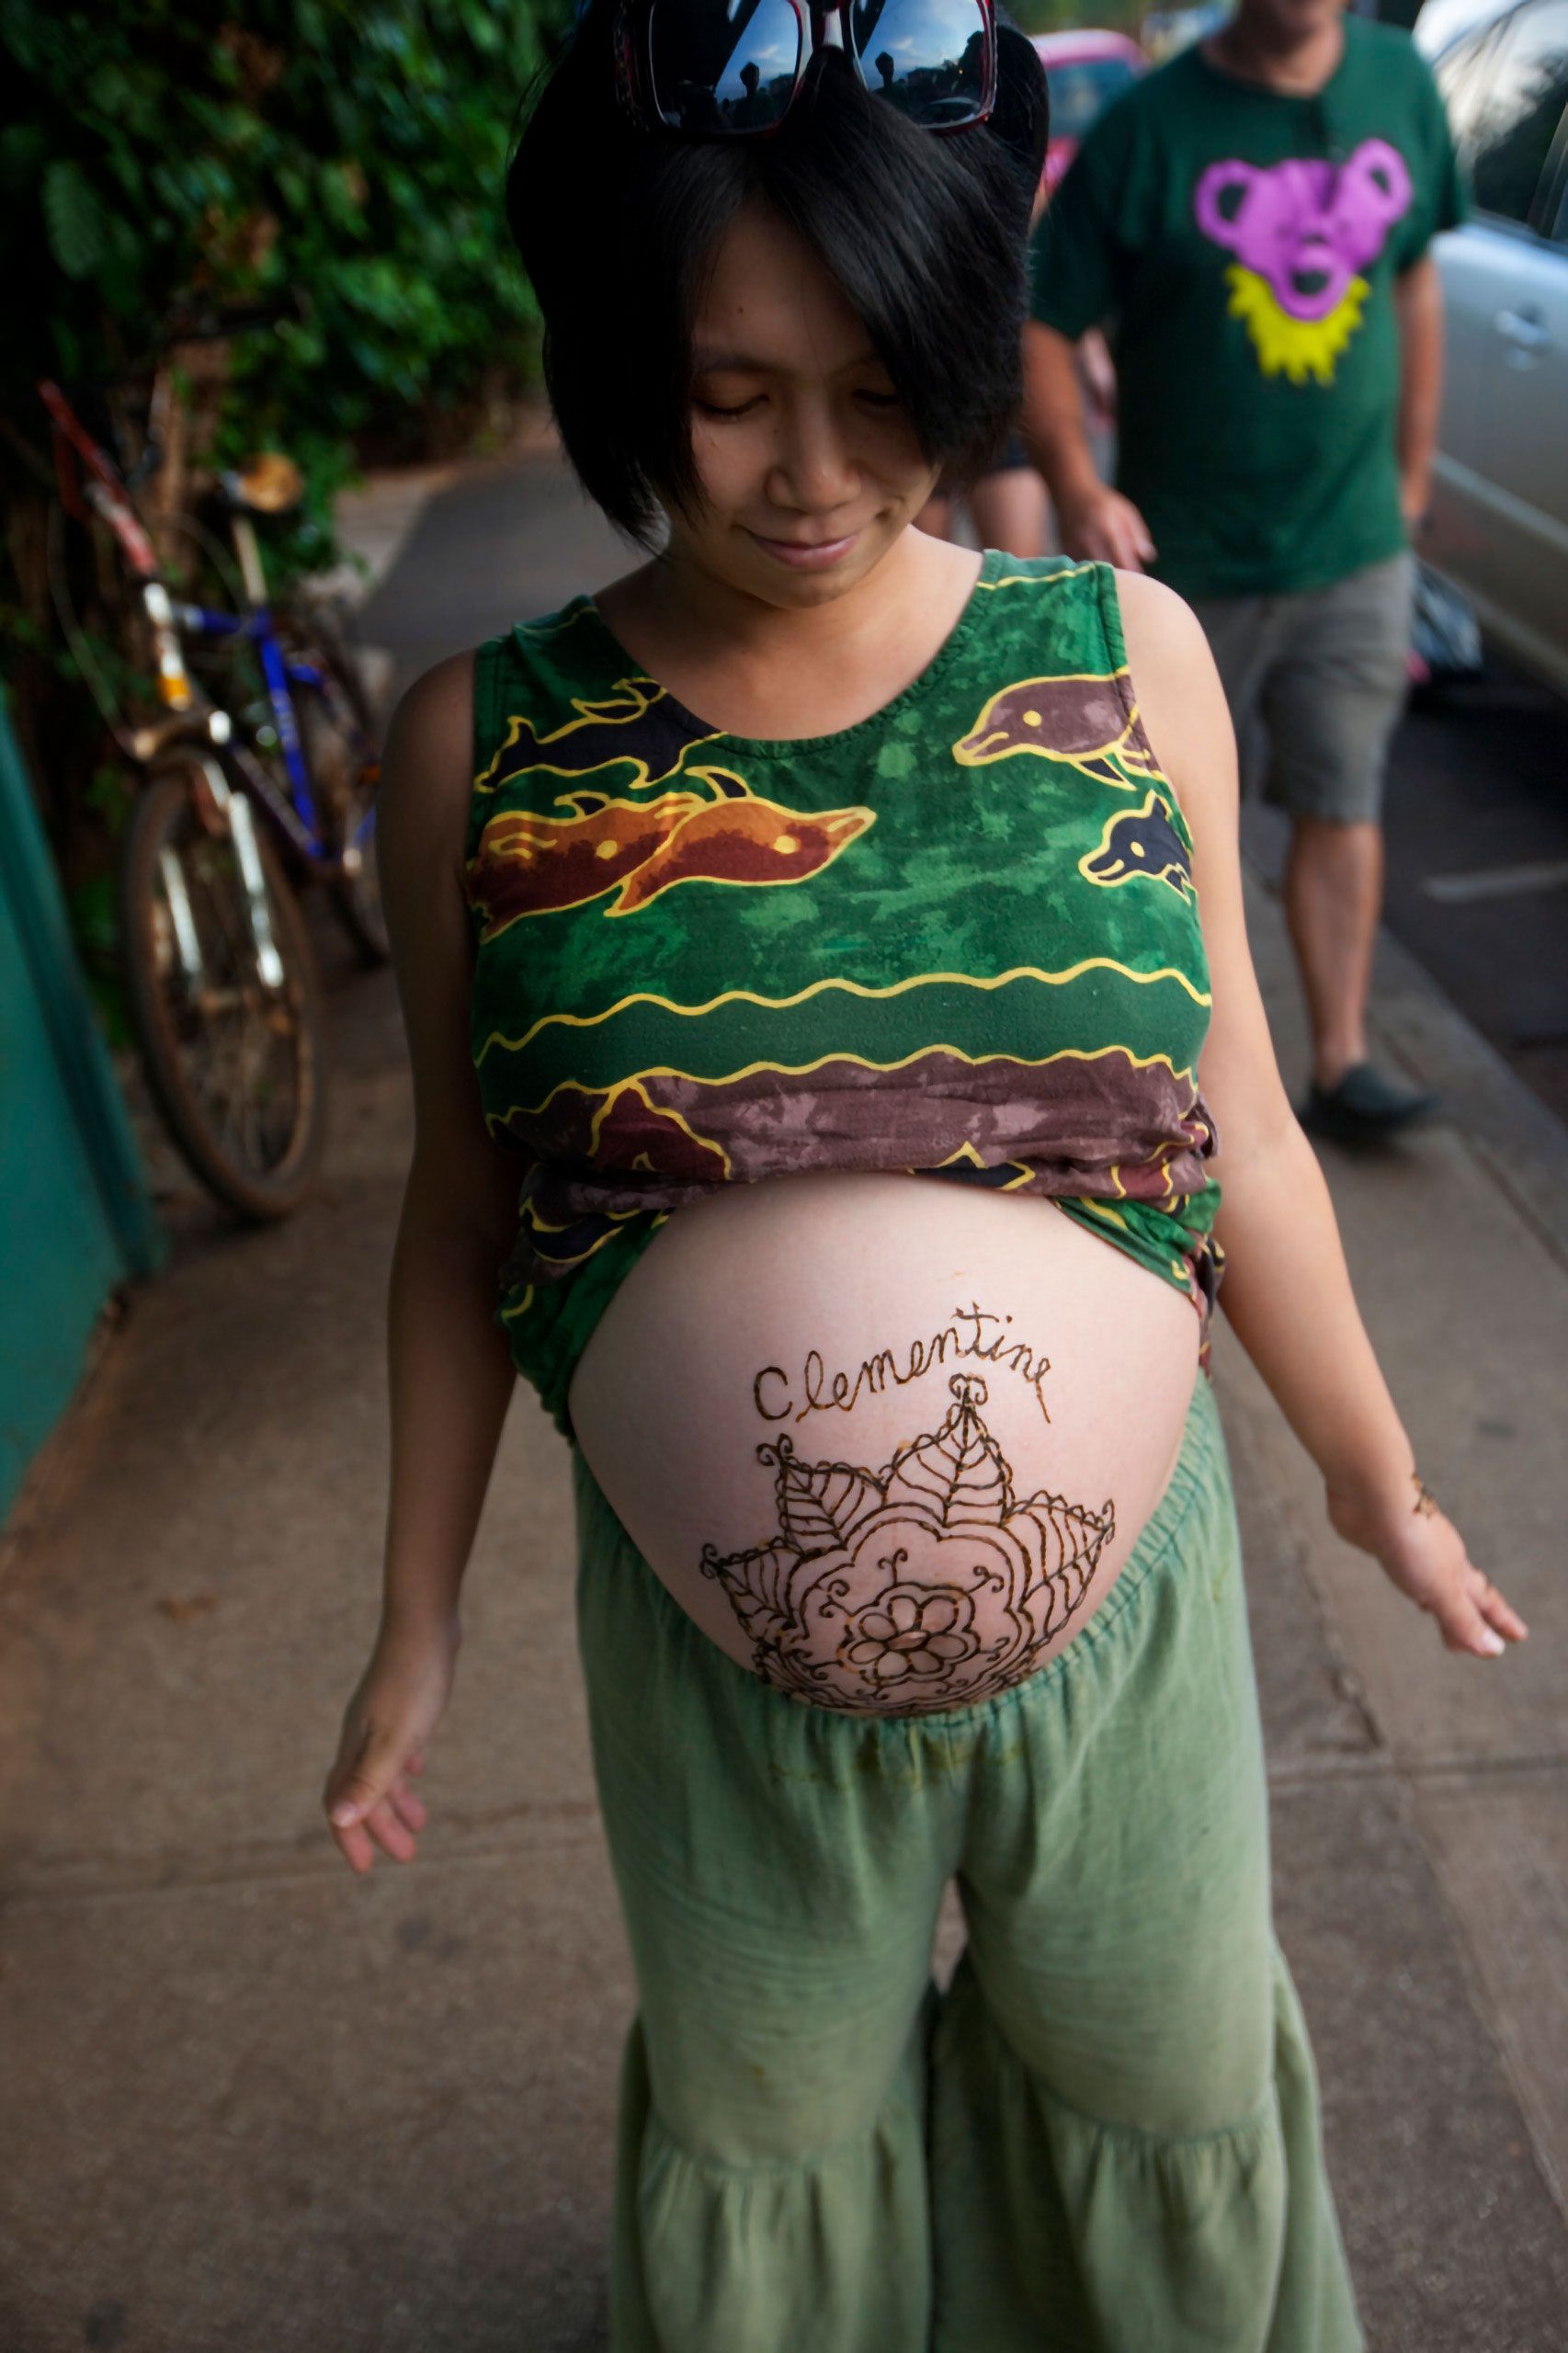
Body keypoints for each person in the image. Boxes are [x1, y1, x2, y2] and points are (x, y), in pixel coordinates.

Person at [320, 3, 1528, 2347]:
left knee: (1161, 2087)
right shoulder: (478, 747)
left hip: (1128, 1638)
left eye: (879, 389)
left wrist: (1380, 1479)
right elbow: (459, 1219)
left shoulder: (1123, 656)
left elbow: (1239, 1122)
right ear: (607, 352)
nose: (804, 468)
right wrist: (415, 1624)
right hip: (712, 1667)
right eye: (726, 385)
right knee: (767, 2133)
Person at [1023, 0, 1467, 1143]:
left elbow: (1412, 281)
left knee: (1340, 799)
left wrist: (1411, 480)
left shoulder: (1398, 89)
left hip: (1353, 546)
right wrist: (1078, 488)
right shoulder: (1144, 131)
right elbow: (1041, 317)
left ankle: (1341, 1059)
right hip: (1184, 569)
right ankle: (1172, 1083)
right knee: (1163, 834)